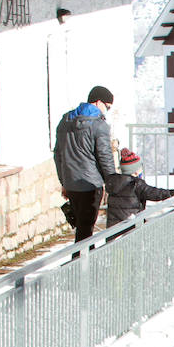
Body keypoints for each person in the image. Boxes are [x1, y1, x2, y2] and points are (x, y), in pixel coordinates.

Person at [53, 85, 116, 242]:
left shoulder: (65, 121)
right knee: (86, 230)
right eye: (107, 107)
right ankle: (81, 265)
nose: (106, 111)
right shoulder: (99, 125)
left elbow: (58, 155)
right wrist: (113, 182)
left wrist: (64, 182)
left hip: (71, 183)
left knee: (82, 228)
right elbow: (105, 157)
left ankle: (80, 262)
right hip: (91, 184)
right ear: (98, 102)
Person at [104, 148, 174, 227]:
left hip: (113, 229)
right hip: (131, 227)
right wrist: (173, 193)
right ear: (135, 172)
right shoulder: (136, 184)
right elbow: (154, 193)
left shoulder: (113, 182)